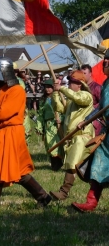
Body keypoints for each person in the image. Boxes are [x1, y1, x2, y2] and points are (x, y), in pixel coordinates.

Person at [0, 57, 51, 214]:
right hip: (3, 133)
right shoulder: (0, 89)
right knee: (19, 171)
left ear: (3, 73)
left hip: (12, 133)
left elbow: (3, 113)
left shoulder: (17, 91)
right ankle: (43, 196)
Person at [72, 50, 109, 212]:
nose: (105, 62)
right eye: (105, 59)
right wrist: (87, 119)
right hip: (108, 132)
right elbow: (100, 108)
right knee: (98, 163)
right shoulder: (107, 84)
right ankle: (91, 202)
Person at [50, 70, 94, 200]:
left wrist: (62, 89)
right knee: (77, 166)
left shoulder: (86, 96)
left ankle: (63, 192)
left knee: (73, 163)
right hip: (72, 138)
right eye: (68, 82)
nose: (69, 84)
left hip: (83, 137)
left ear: (79, 84)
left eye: (72, 82)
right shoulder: (70, 100)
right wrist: (55, 92)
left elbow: (78, 98)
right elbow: (58, 107)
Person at [35, 79, 64, 171]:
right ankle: (53, 163)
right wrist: (39, 127)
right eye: (46, 87)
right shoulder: (43, 100)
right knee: (48, 144)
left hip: (56, 125)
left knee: (55, 144)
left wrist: (61, 119)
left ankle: (57, 164)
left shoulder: (58, 97)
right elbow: (40, 115)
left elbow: (64, 110)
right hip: (47, 125)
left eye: (49, 87)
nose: (47, 89)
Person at [81, 64, 102, 135]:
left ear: (90, 74)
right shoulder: (81, 88)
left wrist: (92, 108)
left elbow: (102, 103)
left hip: (95, 122)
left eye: (85, 73)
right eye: (81, 73)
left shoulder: (97, 87)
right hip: (82, 121)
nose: (83, 75)